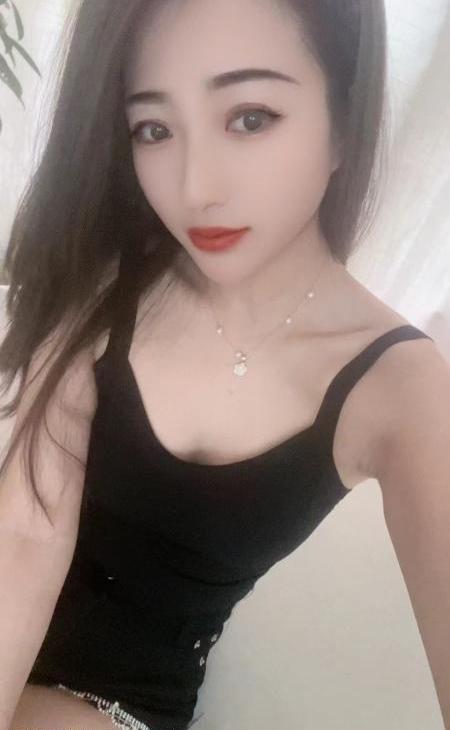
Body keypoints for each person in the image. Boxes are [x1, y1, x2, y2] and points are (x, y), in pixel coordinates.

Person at [1, 1, 449, 729]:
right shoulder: (106, 275)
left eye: (249, 117)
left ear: (344, 120)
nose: (194, 187)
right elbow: (27, 531)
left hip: (110, 704)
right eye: (153, 128)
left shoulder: (403, 387)